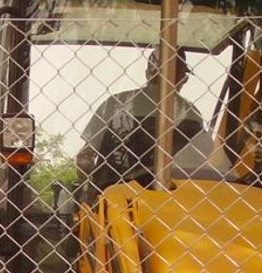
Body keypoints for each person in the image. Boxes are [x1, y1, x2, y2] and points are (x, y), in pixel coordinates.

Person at [76, 48, 214, 189]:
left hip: (115, 197)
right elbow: (200, 161)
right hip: (174, 197)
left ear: (147, 74)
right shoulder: (189, 112)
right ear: (182, 78)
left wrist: (91, 187)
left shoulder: (115, 103)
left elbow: (83, 160)